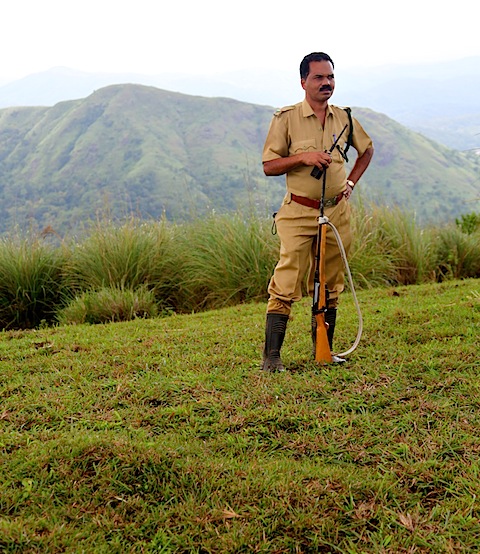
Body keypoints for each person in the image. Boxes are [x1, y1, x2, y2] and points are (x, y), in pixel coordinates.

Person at [261, 52, 374, 371]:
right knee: (286, 280)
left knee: (331, 281)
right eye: (319, 78)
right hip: (298, 212)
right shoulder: (285, 118)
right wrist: (304, 158)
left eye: (331, 77)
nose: (327, 83)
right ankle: (271, 358)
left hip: (337, 211)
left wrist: (351, 181)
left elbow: (366, 150)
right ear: (303, 82)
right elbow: (269, 165)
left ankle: (323, 351)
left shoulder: (345, 118)